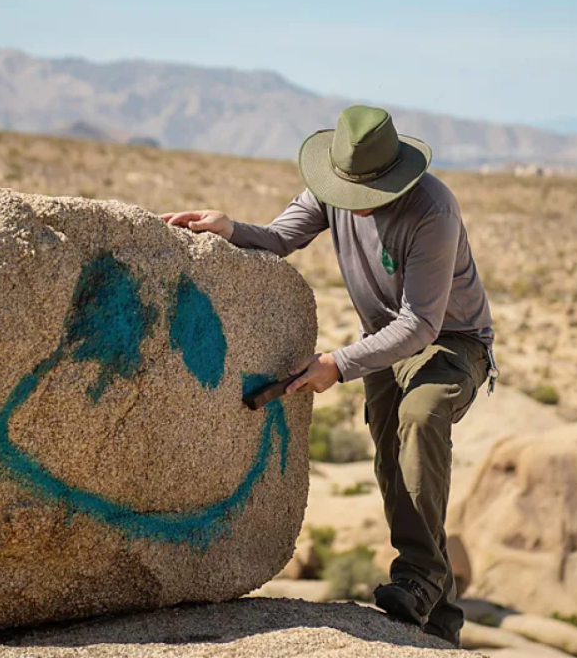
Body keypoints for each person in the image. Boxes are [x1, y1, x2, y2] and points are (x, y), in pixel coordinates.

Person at [162, 105, 496, 647]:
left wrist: (335, 366)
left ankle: (418, 577)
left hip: (450, 342)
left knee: (421, 416)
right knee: (395, 464)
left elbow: (420, 323)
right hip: (383, 340)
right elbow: (278, 237)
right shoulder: (333, 188)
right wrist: (229, 228)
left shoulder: (433, 209)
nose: (359, 207)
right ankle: (441, 619)